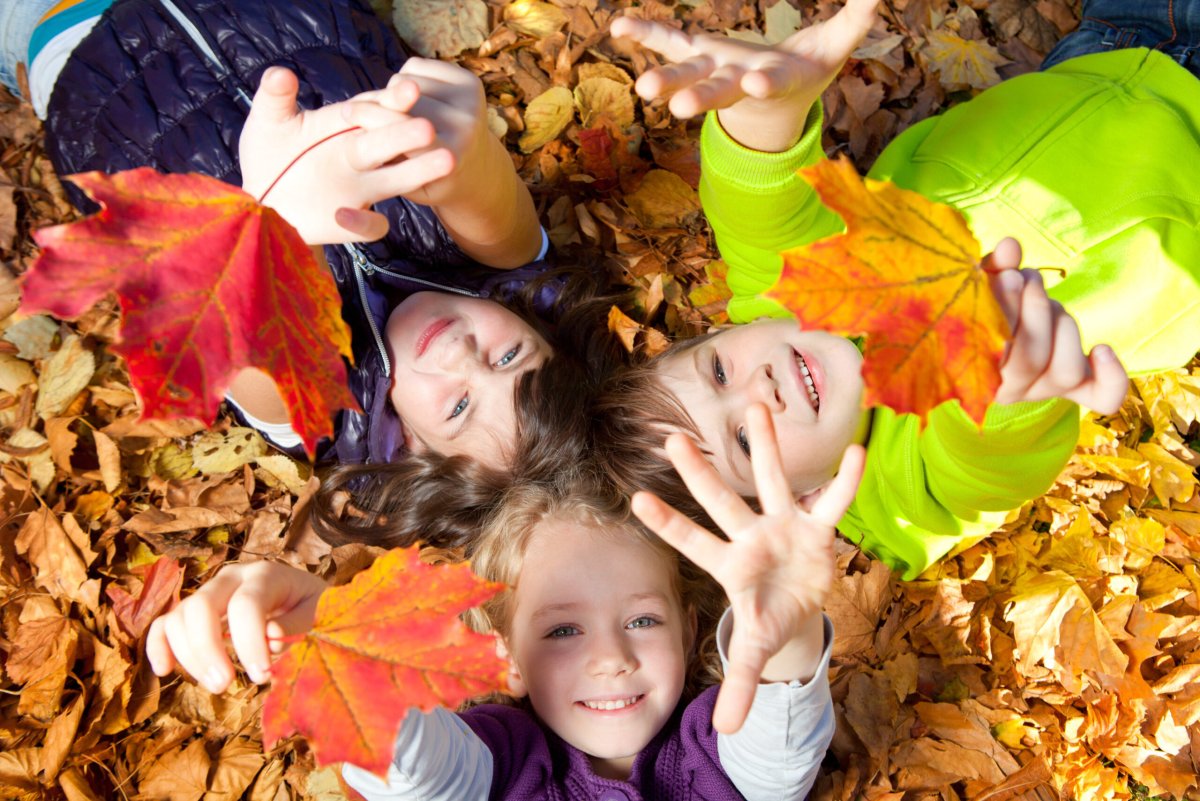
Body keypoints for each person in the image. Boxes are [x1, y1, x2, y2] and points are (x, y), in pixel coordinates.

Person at [598, 0, 1200, 579]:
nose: (762, 390)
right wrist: (1004, 391)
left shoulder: (791, 294)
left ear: (729, 329)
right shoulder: (899, 492)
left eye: (720, 373)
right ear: (804, 500)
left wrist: (761, 109)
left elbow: (759, 204)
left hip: (1116, 44)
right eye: (746, 441)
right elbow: (978, 470)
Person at [0, 0, 609, 471]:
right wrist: (456, 149)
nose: (462, 357)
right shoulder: (495, 265)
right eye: (511, 356)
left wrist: (280, 232)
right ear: (538, 327)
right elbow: (487, 200)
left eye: (458, 407)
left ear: (407, 447)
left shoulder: (307, 405)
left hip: (78, 38)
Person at [146, 406, 865, 800]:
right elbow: (428, 772)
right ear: (505, 658)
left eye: (643, 619)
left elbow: (774, 751)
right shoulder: (506, 765)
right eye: (561, 630)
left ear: (688, 629)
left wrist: (789, 625)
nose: (611, 657)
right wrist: (330, 640)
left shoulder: (705, 756)